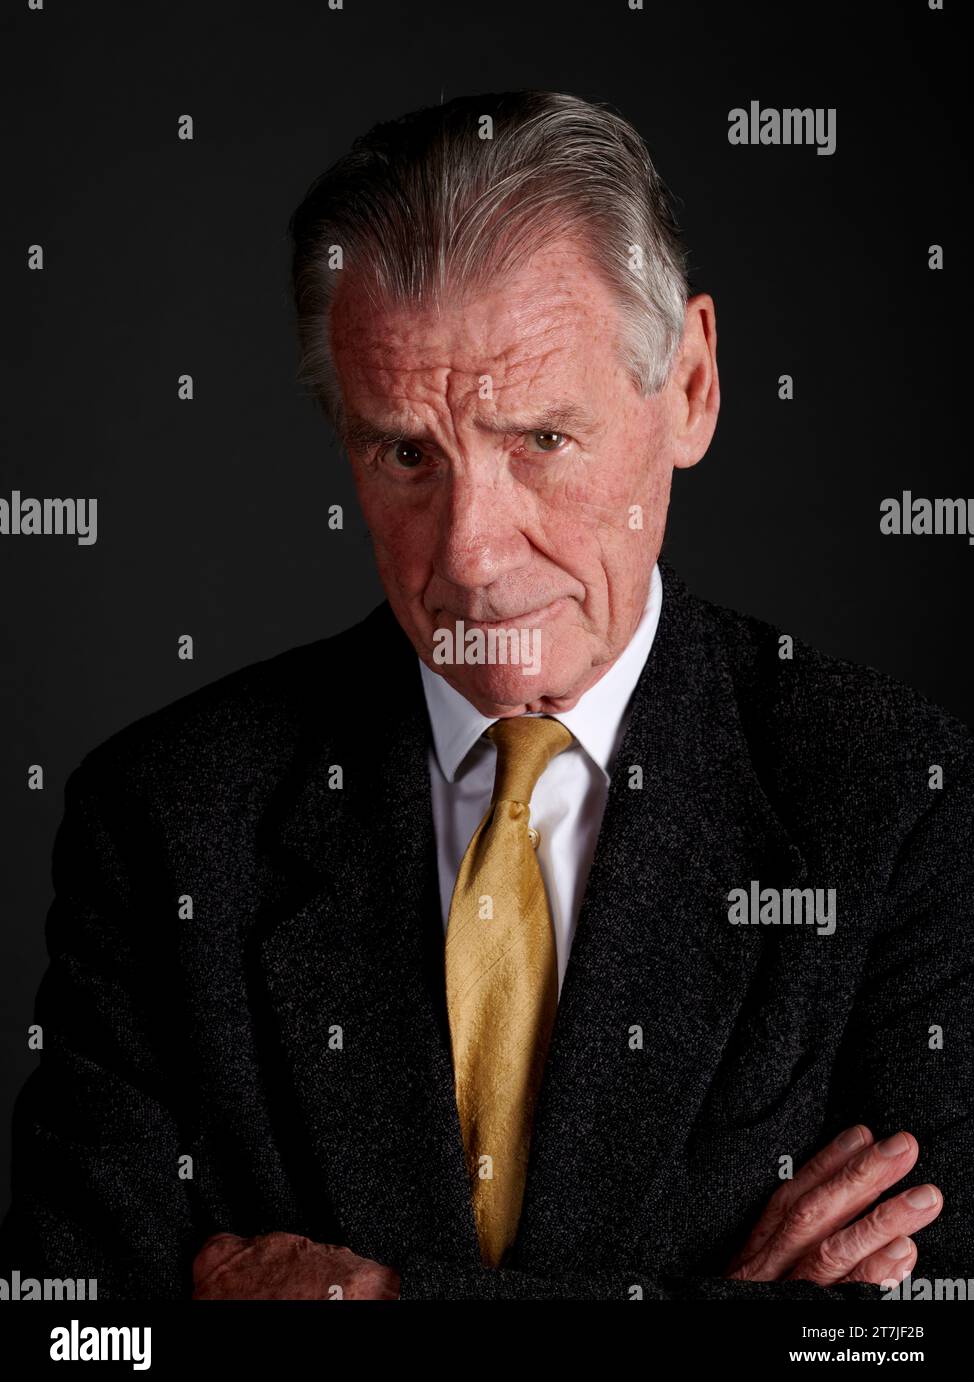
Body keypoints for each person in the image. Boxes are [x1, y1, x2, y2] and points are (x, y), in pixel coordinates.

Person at [2, 90, 971, 1301]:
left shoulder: (894, 796)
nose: (470, 551)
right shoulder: (161, 819)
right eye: (405, 453)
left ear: (690, 388)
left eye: (538, 441)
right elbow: (72, 1339)